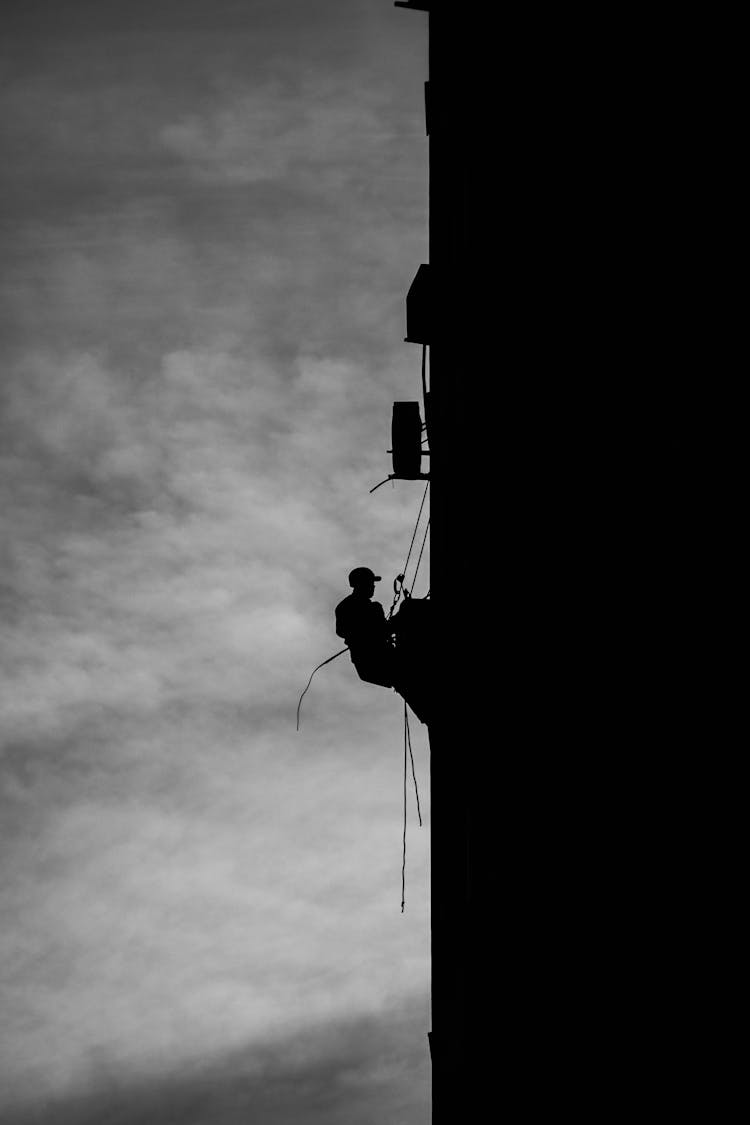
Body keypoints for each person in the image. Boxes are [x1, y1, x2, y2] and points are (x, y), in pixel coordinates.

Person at [335, 567, 395, 688]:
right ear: (361, 584)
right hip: (372, 659)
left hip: (374, 659)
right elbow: (342, 631)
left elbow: (383, 630)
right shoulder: (352, 607)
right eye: (370, 583)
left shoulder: (363, 606)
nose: (373, 586)